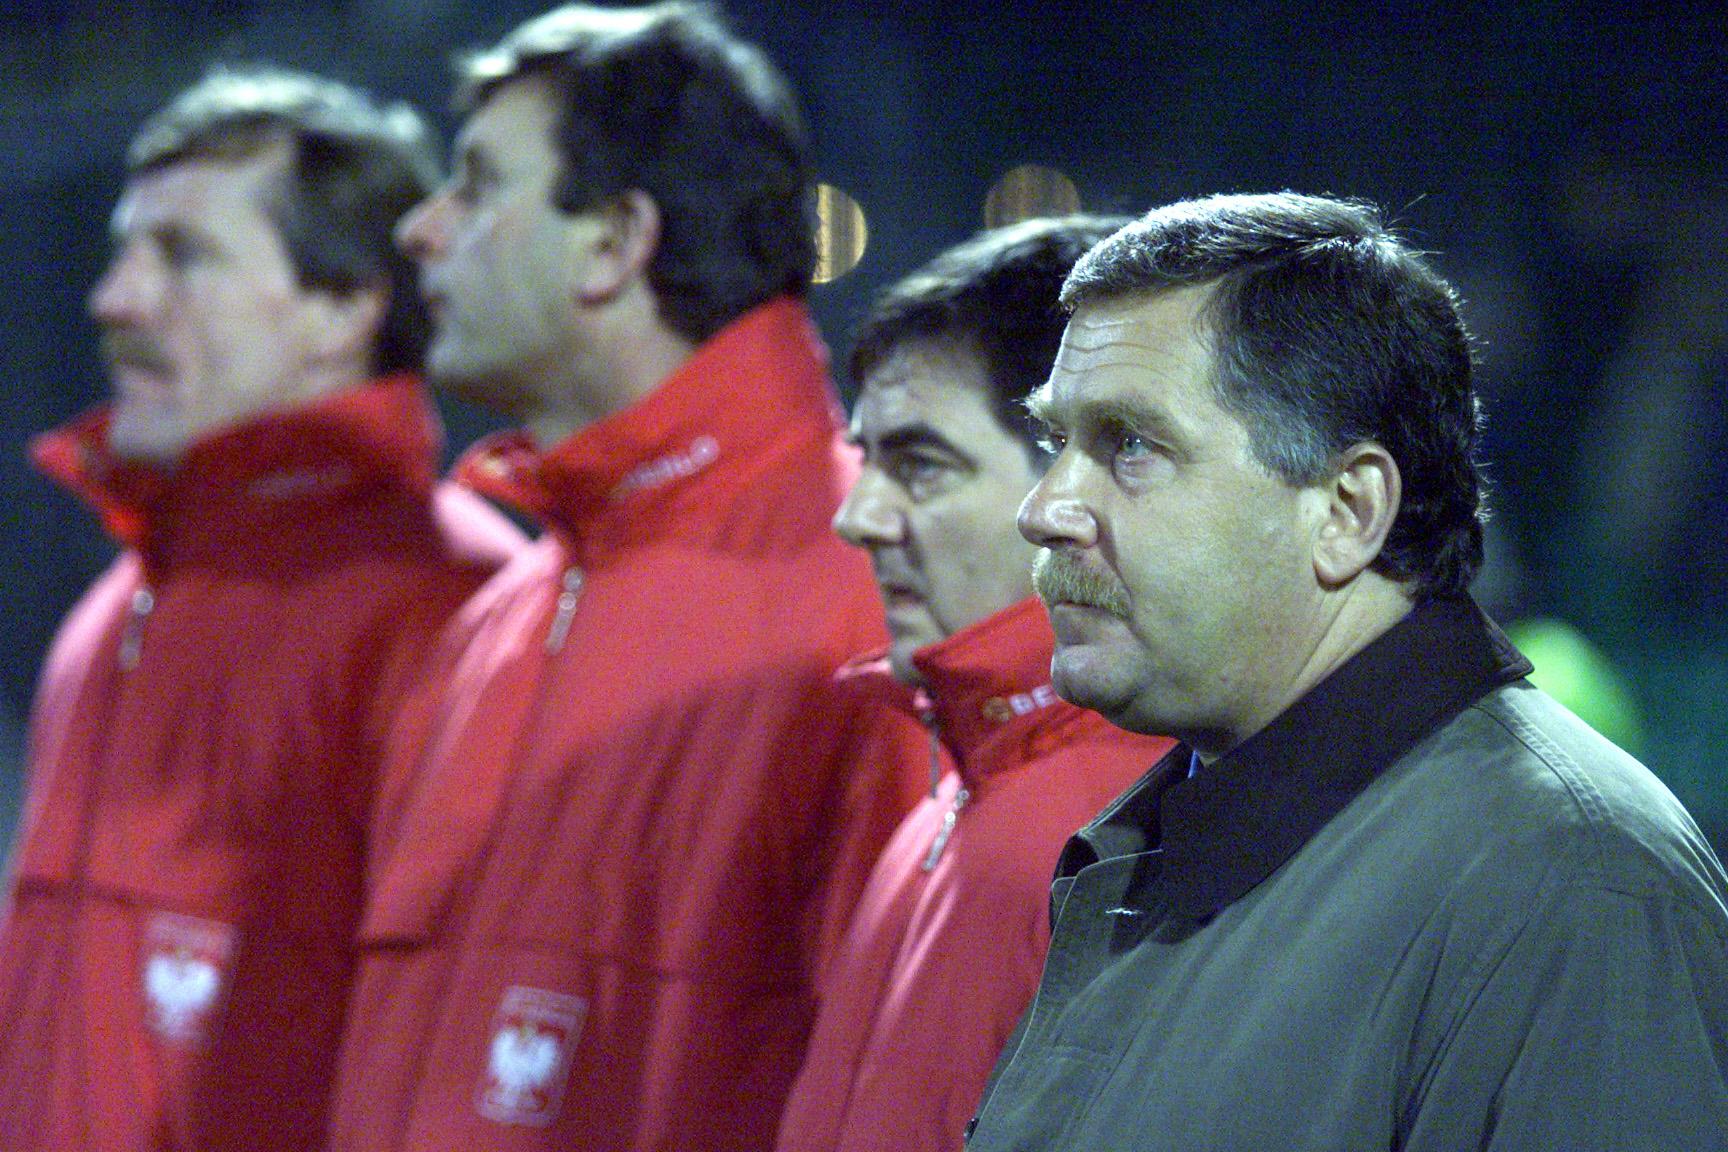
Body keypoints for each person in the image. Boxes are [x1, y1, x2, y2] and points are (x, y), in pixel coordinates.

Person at [964, 192, 1728, 1151]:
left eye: (1132, 446)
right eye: (1055, 442)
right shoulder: (1192, 818)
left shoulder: (1578, 890)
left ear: (1347, 509)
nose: (1045, 508)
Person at [325, 6, 915, 1151]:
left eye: (480, 185)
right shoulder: (499, 614)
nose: (421, 229)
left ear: (614, 242)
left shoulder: (873, 580)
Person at [0, 67, 525, 1152]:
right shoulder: (129, 591)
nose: (115, 300)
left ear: (346, 306)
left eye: (184, 257)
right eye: (124, 251)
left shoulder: (450, 599)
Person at [774, 218, 1174, 1152]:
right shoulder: (955, 784)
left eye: (922, 465)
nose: (860, 517)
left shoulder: (1137, 825)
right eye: (868, 458)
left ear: (1075, 484)